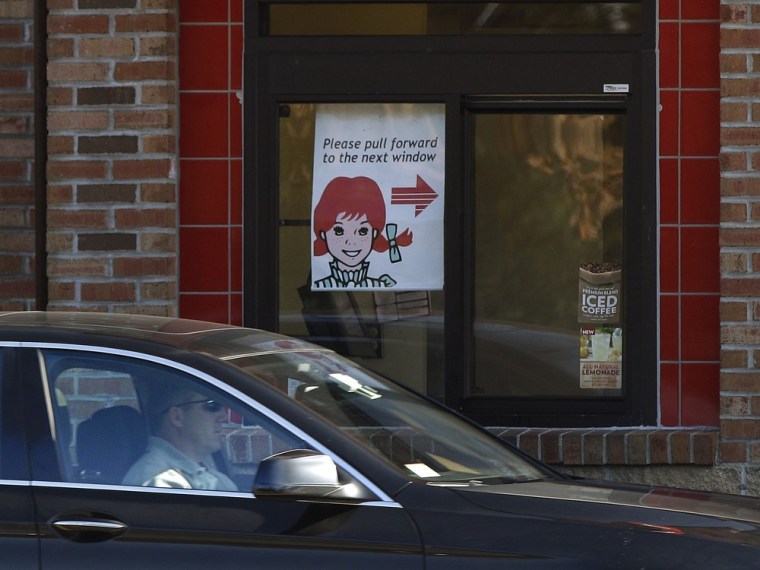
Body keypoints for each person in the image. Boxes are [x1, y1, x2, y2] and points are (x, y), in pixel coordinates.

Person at [122, 384, 237, 491]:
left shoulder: (204, 474)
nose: (224, 417)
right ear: (177, 417)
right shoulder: (160, 481)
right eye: (212, 405)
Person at [312, 176, 412, 288]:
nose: (351, 242)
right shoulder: (319, 284)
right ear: (323, 234)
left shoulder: (379, 284)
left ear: (374, 234)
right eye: (339, 231)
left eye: (362, 231)